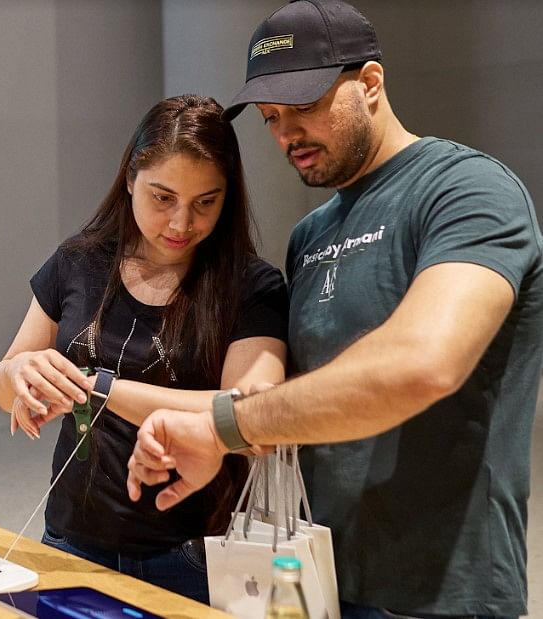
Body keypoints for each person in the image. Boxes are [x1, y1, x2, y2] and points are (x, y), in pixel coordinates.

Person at [126, 2, 542, 618]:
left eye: (304, 106)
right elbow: (302, 400)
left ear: (370, 83)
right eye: (271, 117)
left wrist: (221, 426)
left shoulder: (467, 190)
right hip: (318, 573)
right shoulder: (312, 234)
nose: (285, 133)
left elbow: (421, 364)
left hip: (445, 589)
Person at [0, 95, 288, 602]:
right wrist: (21, 375)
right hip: (72, 539)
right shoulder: (79, 260)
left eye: (205, 203)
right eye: (163, 197)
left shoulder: (250, 286)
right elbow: (2, 383)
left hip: (192, 550)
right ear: (130, 178)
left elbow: (253, 415)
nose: (180, 224)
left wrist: (101, 387)